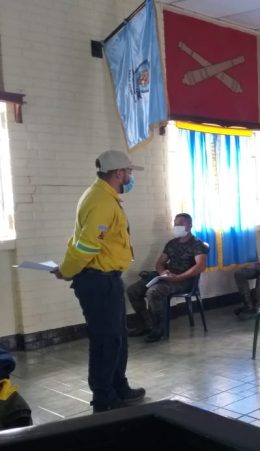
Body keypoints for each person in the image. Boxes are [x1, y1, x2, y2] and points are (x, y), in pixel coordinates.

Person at [51, 150, 146, 413]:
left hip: (108, 279)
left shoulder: (104, 196)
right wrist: (67, 270)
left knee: (117, 338)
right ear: (119, 173)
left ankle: (119, 386)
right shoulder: (101, 201)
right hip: (98, 281)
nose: (130, 177)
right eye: (129, 172)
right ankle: (104, 398)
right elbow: (86, 245)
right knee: (105, 341)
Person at [126, 213, 207, 342]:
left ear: (190, 225)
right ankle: (146, 324)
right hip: (168, 277)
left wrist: (178, 277)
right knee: (133, 290)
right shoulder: (172, 243)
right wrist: (163, 273)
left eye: (181, 223)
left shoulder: (197, 244)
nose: (177, 226)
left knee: (153, 292)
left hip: (185, 280)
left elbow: (200, 266)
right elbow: (160, 263)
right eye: (175, 223)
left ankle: (158, 329)